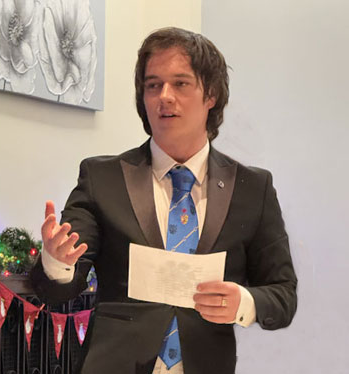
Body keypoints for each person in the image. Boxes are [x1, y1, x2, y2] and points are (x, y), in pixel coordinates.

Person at [30, 27, 297, 374]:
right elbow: (57, 291)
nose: (164, 97)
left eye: (180, 84)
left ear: (211, 94)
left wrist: (243, 303)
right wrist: (57, 262)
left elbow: (283, 295)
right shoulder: (102, 178)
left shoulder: (252, 187)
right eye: (153, 85)